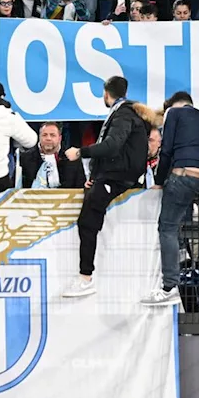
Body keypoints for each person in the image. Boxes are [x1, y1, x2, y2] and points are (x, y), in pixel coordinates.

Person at [62, 76, 149, 298]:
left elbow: (112, 146)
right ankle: (85, 276)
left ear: (106, 93)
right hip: (111, 176)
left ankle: (85, 278)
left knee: (87, 221)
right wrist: (96, 175)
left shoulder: (123, 115)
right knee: (89, 220)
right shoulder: (128, 113)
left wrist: (81, 152)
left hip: (116, 178)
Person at [142, 91, 199, 307]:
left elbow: (166, 150)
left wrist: (159, 181)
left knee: (167, 228)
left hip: (183, 177)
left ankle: (169, 286)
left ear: (171, 105)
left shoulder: (173, 113)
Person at [18, 122, 87, 189]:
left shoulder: (72, 158)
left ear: (60, 138)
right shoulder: (25, 158)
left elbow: (80, 188)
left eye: (52, 135)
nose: (48, 138)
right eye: (44, 135)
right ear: (39, 137)